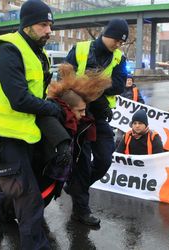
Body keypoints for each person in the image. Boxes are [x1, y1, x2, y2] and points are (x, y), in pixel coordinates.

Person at [0, 64, 111, 236]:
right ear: (69, 108)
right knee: (19, 202)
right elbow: (48, 120)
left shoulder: (78, 117)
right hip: (39, 171)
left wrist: (101, 104)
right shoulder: (53, 113)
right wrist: (62, 145)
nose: (84, 114)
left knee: (31, 203)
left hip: (51, 175)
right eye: (81, 111)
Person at [0, 0, 61, 249]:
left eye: (50, 25)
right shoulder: (8, 48)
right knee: (29, 198)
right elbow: (19, 98)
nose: (49, 31)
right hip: (4, 134)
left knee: (22, 190)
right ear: (27, 25)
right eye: (43, 24)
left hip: (26, 133)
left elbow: (39, 94)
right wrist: (53, 110)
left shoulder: (37, 53)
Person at [64, 18, 129, 226]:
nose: (118, 45)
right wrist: (98, 92)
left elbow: (119, 85)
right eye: (117, 40)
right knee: (82, 164)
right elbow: (66, 79)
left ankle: (75, 187)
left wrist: (88, 84)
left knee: (104, 160)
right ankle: (81, 211)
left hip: (100, 117)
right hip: (78, 116)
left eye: (122, 42)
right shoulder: (80, 49)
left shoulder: (119, 58)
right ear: (106, 34)